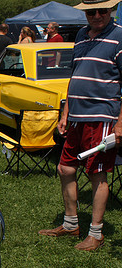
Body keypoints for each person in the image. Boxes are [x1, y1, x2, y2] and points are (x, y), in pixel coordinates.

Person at [39, 0, 122, 251]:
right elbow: (74, 76)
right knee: (65, 168)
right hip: (76, 117)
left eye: (102, 11)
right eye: (90, 11)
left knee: (97, 173)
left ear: (111, 11)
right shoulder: (81, 36)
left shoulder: (119, 37)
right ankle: (70, 223)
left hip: (102, 117)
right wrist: (65, 113)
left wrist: (120, 124)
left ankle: (95, 233)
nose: (96, 16)